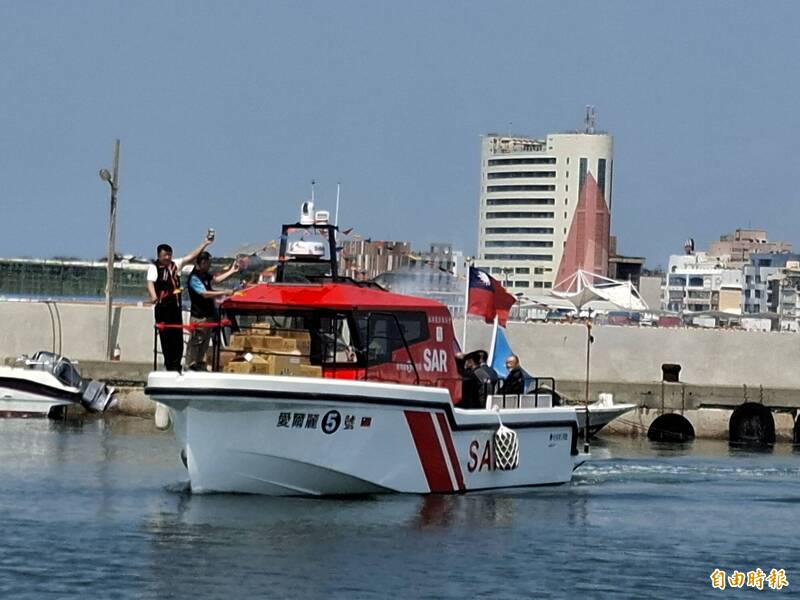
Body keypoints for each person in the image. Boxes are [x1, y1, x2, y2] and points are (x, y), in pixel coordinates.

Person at [146, 235, 213, 372]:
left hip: (175, 307)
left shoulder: (175, 265)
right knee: (166, 339)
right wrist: (153, 295)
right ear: (159, 255)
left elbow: (191, 256)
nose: (167, 258)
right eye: (165, 255)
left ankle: (176, 366)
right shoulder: (154, 268)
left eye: (169, 255)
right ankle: (170, 365)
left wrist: (205, 243)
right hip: (163, 308)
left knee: (177, 338)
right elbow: (150, 283)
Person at [185, 252, 239, 371]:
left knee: (205, 342)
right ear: (203, 263)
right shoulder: (194, 277)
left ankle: (198, 363)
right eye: (209, 263)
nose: (210, 266)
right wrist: (224, 292)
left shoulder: (205, 275)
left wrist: (232, 271)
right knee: (196, 341)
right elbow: (205, 293)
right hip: (199, 316)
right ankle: (189, 364)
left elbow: (216, 280)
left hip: (209, 315)